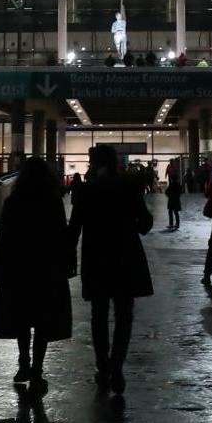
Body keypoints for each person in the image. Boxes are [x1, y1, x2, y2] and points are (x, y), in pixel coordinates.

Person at [67, 142, 153, 398]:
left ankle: (102, 365)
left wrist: (65, 255)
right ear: (115, 162)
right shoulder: (129, 186)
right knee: (124, 314)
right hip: (127, 258)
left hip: (97, 258)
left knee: (99, 314)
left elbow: (74, 229)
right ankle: (117, 365)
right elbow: (145, 223)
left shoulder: (86, 190)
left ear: (95, 163)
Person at [0, 157, 71, 394]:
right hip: (46, 268)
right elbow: (60, 234)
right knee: (43, 320)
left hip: (18, 268)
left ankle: (23, 362)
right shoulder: (52, 201)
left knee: (22, 318)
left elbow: (2, 235)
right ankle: (37, 369)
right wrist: (67, 262)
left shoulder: (14, 200)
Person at [163, 159, 184, 231]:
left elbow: (166, 192)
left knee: (170, 212)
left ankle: (171, 224)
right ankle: (177, 224)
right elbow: (181, 191)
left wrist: (169, 196)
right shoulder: (178, 185)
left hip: (171, 200)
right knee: (176, 212)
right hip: (176, 200)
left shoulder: (171, 185)